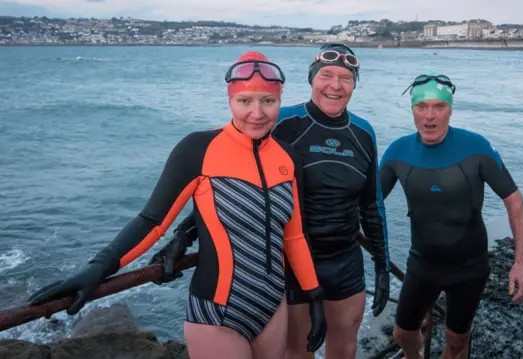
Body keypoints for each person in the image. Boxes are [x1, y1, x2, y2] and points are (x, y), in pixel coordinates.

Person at [26, 51, 327, 359]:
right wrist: (98, 267)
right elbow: (152, 222)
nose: (257, 113)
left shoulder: (288, 158)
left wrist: (313, 295)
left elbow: (294, 237)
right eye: (245, 101)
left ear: (280, 101)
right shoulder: (199, 149)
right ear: (230, 101)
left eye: (268, 101)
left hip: (273, 309)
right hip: (218, 313)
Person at [151, 43, 391, 359]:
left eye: (346, 78)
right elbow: (222, 173)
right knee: (296, 352)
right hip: (289, 261)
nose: (335, 85)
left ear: (355, 84)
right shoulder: (280, 122)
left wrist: (382, 264)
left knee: (345, 348)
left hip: (345, 260)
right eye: (326, 75)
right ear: (311, 80)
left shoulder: (363, 132)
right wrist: (184, 234)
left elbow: (372, 204)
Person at [379, 73, 523, 359]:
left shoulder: (475, 147)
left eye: (439, 107)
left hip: (469, 268)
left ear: (451, 109)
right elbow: (369, 204)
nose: (429, 116)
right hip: (422, 264)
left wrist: (521, 263)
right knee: (402, 333)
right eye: (421, 107)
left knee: (456, 340)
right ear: (411, 109)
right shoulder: (397, 152)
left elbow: (514, 201)